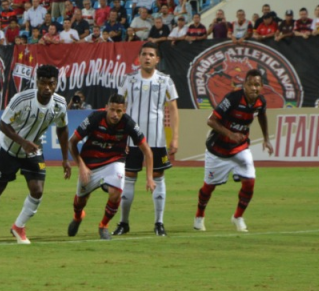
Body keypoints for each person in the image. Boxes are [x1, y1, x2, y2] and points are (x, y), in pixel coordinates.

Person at [0, 65, 69, 245]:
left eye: (51, 83)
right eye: (43, 83)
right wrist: (22, 142)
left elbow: (62, 130)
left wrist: (65, 159)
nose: (47, 87)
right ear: (36, 82)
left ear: (56, 84)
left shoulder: (60, 104)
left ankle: (18, 227)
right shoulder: (22, 99)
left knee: (37, 190)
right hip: (8, 149)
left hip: (32, 151)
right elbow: (3, 124)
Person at [112, 41, 179, 237]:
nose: (147, 57)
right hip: (131, 139)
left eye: (151, 54)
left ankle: (159, 223)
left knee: (158, 178)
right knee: (129, 178)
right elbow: (117, 107)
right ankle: (124, 223)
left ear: (157, 59)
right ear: (139, 58)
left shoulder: (165, 80)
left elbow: (173, 109)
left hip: (156, 139)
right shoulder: (129, 79)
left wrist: (175, 137)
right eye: (144, 54)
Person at [194, 69, 274, 233]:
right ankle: (199, 216)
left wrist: (266, 139)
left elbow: (262, 116)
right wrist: (230, 134)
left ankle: (238, 217)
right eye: (251, 84)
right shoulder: (233, 98)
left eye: (257, 85)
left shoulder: (261, 102)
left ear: (262, 86)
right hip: (217, 149)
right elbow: (211, 121)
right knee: (208, 187)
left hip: (240, 148)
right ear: (245, 84)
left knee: (250, 181)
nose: (254, 88)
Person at [68, 94, 154, 240]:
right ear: (107, 108)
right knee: (80, 201)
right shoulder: (95, 118)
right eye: (112, 110)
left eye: (119, 111)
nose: (115, 114)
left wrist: (149, 178)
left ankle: (103, 225)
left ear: (124, 111)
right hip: (90, 163)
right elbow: (72, 142)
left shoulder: (128, 124)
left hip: (114, 161)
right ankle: (78, 216)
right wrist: (81, 166)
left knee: (116, 193)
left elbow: (147, 151)